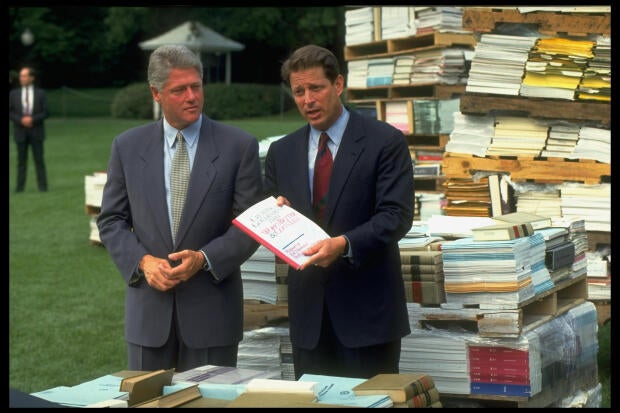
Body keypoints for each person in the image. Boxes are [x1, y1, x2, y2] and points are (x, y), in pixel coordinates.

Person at [96, 45, 263, 372]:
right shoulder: (127, 147)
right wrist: (143, 263)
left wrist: (204, 259)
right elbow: (112, 220)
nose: (192, 97)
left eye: (196, 86)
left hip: (213, 315)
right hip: (148, 317)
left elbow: (250, 224)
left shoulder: (238, 146)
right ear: (156, 94)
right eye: (179, 90)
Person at [263, 44, 415, 380]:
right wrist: (274, 218)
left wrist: (344, 244)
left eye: (316, 88)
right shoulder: (281, 152)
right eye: (298, 91)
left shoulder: (385, 142)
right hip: (308, 320)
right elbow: (271, 214)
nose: (307, 100)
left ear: (339, 85)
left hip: (368, 317)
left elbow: (396, 215)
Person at [9, 66, 49, 192]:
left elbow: (46, 112)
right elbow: (10, 112)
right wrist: (21, 120)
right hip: (20, 131)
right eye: (21, 76)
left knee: (39, 160)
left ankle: (43, 187)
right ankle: (19, 188)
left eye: (25, 75)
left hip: (36, 131)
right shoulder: (14, 94)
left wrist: (32, 119)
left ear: (32, 77)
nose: (22, 78)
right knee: (21, 162)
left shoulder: (40, 93)